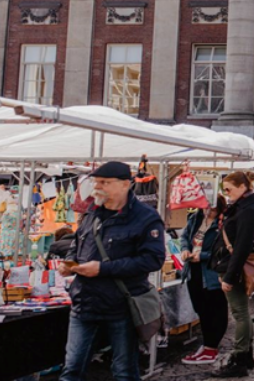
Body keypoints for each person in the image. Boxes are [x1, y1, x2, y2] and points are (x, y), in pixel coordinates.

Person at [59, 162, 166, 381]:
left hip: (121, 305)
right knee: (71, 369)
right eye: (96, 182)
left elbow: (152, 260)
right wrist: (69, 263)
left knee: (124, 371)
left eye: (104, 182)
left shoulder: (146, 217)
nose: (97, 187)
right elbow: (77, 243)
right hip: (84, 302)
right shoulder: (92, 211)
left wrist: (102, 269)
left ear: (125, 184)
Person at [210, 171, 254, 377]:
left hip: (234, 268)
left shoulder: (248, 210)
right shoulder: (244, 207)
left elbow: (242, 246)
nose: (226, 193)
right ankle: (246, 357)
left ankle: (239, 358)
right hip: (231, 265)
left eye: (229, 189)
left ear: (242, 187)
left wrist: (229, 276)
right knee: (242, 312)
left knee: (240, 313)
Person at [180, 197, 228, 365]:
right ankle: (207, 345)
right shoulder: (195, 219)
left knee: (215, 310)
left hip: (211, 272)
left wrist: (203, 256)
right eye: (205, 208)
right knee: (201, 309)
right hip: (193, 271)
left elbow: (224, 251)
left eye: (212, 209)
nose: (207, 211)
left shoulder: (222, 224)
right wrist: (185, 249)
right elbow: (184, 236)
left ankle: (211, 346)